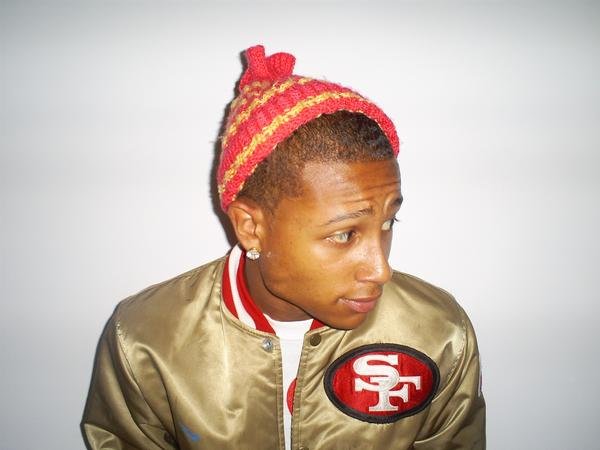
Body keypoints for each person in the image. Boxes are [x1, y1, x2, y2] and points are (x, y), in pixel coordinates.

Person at [82, 44, 485, 450]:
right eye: (345, 234)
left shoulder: (437, 333)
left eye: (387, 223)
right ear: (251, 227)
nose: (381, 270)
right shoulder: (147, 339)